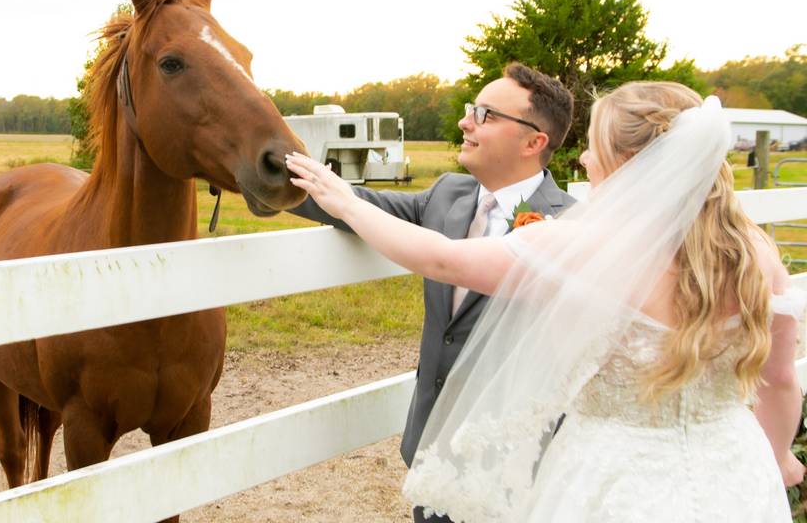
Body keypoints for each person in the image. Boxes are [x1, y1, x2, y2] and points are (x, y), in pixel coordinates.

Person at [286, 81, 806, 522]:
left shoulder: (588, 246)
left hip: (611, 479)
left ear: (631, 163)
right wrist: (778, 457)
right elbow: (779, 379)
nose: (582, 156)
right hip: (735, 473)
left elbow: (443, 259)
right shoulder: (754, 253)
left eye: (595, 146)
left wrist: (346, 201)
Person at [290, 63, 575, 522]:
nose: (466, 122)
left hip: (517, 473)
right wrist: (268, 167)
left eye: (485, 114)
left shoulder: (570, 223)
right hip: (432, 452)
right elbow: (361, 206)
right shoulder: (448, 195)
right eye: (470, 110)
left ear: (533, 141)